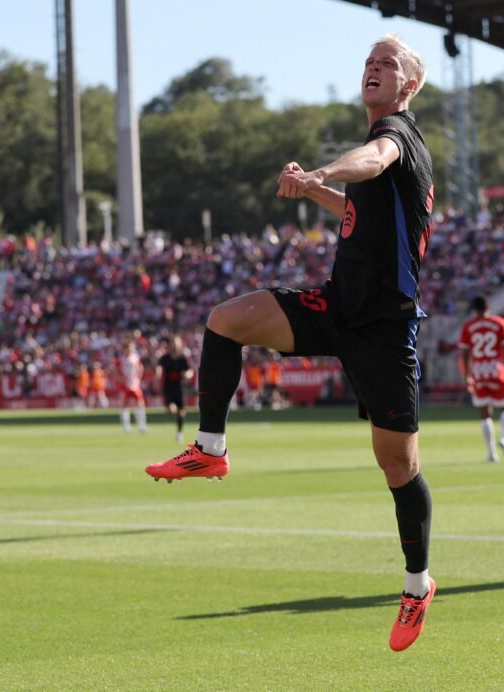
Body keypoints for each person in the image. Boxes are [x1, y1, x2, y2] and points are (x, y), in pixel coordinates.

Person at [144, 34, 436, 652]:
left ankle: (417, 585)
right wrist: (317, 190)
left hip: (385, 328)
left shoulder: (399, 137)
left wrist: (327, 170)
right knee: (227, 319)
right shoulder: (379, 151)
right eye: (369, 62)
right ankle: (210, 447)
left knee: (398, 466)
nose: (374, 68)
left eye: (388, 64)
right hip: (337, 307)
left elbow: (374, 159)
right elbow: (362, 211)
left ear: (409, 86)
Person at [457, 294, 504, 462]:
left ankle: (491, 453)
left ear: (474, 309)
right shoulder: (499, 322)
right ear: (488, 307)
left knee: (485, 413)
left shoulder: (468, 326)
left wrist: (467, 375)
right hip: (496, 371)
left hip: (479, 372)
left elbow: (464, 352)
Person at [157, 335, 193, 443]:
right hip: (168, 388)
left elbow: (189, 370)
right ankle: (170, 412)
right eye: (173, 344)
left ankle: (179, 432)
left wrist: (187, 374)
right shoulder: (165, 358)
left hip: (180, 387)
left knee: (181, 411)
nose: (175, 346)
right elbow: (158, 366)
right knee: (171, 409)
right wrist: (158, 373)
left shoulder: (182, 358)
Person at [120, 341, 147, 433]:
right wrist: (121, 379)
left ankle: (141, 426)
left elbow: (141, 368)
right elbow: (116, 370)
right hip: (126, 385)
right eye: (128, 347)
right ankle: (126, 427)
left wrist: (138, 379)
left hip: (134, 384)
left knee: (140, 404)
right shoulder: (122, 359)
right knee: (125, 405)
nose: (130, 349)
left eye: (131, 347)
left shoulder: (135, 357)